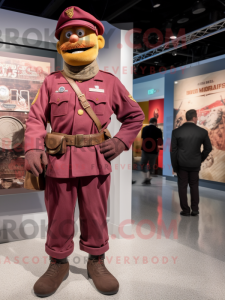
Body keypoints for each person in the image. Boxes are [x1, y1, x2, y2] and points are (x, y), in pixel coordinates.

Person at [24, 6, 144, 297]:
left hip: (96, 160)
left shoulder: (110, 82)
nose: (75, 39)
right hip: (59, 161)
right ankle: (58, 262)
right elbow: (35, 118)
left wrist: (120, 141)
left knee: (95, 215)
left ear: (97, 40)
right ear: (61, 43)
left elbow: (135, 116)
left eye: (81, 33)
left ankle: (97, 261)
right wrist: (31, 148)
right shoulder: (52, 82)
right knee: (59, 215)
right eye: (69, 34)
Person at [170, 109, 212, 216]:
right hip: (195, 164)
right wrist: (200, 158)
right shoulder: (202, 132)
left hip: (181, 165)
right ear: (194, 118)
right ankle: (195, 209)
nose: (197, 119)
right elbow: (208, 148)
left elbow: (173, 151)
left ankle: (185, 210)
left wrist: (174, 165)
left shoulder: (176, 132)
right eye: (196, 117)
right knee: (194, 186)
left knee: (182, 187)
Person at [140, 117, 163, 184]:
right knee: (151, 165)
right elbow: (160, 142)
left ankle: (146, 178)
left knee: (142, 164)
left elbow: (143, 139)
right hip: (154, 151)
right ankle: (149, 177)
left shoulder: (144, 129)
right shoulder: (158, 130)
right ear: (155, 122)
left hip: (145, 150)